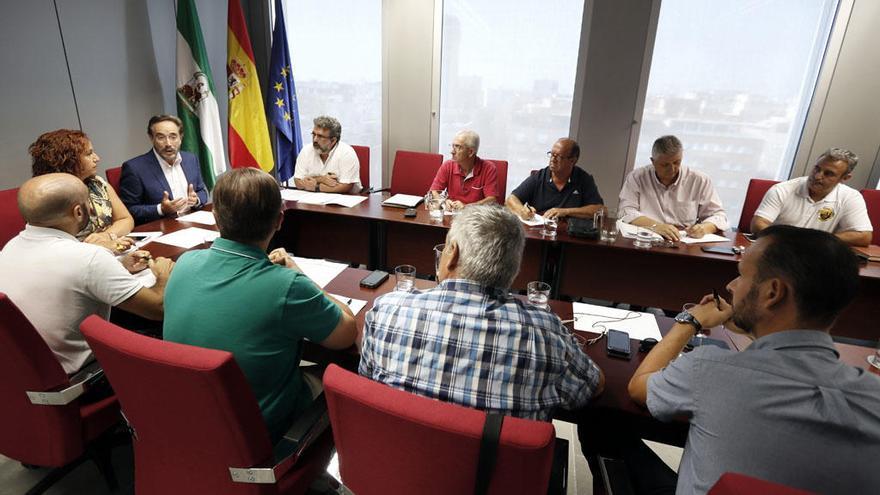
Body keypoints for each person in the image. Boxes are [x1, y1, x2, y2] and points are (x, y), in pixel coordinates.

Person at [583, 225, 880, 494]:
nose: (731, 286)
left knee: (601, 419)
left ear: (772, 292)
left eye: (741, 274)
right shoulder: (873, 396)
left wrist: (690, 321)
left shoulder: (709, 370)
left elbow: (638, 387)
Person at [163, 168, 358, 443]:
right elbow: (347, 333)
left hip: (192, 422)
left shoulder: (184, 264)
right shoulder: (287, 286)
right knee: (344, 377)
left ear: (216, 217)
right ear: (280, 220)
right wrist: (300, 275)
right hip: (260, 435)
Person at [360, 205, 604, 420]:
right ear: (514, 268)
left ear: (452, 254)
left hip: (396, 465)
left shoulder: (387, 311)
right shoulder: (545, 333)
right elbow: (593, 387)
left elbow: (366, 382)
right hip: (495, 471)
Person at [0, 173, 173, 375]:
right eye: (88, 202)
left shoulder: (8, 249)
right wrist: (163, 277)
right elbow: (158, 309)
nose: (92, 208)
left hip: (26, 378)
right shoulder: (89, 258)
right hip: (84, 379)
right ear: (79, 212)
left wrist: (119, 267)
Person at [30, 129, 135, 252]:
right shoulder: (48, 198)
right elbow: (53, 248)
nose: (97, 158)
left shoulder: (97, 184)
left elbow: (126, 219)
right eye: (89, 154)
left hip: (108, 252)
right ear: (68, 160)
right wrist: (101, 246)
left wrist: (106, 236)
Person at [751, 148, 872, 246]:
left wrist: (817, 240)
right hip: (778, 248)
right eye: (817, 169)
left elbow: (864, 236)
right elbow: (758, 224)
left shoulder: (851, 197)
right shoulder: (782, 189)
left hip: (818, 255)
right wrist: (788, 241)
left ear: (845, 178)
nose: (818, 176)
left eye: (828, 173)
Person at [618, 135, 728, 241]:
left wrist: (703, 228)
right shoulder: (637, 177)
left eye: (676, 162)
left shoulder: (700, 180)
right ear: (653, 162)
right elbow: (625, 211)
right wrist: (656, 226)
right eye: (665, 165)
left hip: (683, 241)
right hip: (645, 238)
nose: (672, 169)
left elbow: (718, 216)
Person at [119, 115, 208, 225]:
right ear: (151, 138)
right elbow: (128, 210)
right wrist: (161, 209)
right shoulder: (134, 168)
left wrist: (196, 200)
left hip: (193, 221)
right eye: (161, 137)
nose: (168, 144)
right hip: (163, 228)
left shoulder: (191, 159)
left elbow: (202, 190)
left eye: (173, 137)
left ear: (181, 137)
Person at [506, 138, 604, 221]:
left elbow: (600, 210)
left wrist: (566, 211)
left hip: (570, 236)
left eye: (559, 156)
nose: (553, 159)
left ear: (572, 161)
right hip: (540, 233)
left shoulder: (583, 179)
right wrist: (522, 211)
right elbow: (511, 199)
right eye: (552, 154)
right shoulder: (539, 177)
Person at [429, 130, 499, 209]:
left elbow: (491, 200)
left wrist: (467, 207)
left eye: (458, 147)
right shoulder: (448, 165)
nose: (452, 152)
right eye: (453, 146)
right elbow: (434, 191)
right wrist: (443, 201)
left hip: (475, 217)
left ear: (471, 152)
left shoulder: (488, 168)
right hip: (451, 214)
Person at [292, 115, 361, 194]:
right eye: (314, 134)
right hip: (312, 200)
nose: (315, 140)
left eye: (320, 136)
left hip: (345, 201)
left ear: (333, 140)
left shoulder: (347, 153)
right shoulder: (306, 150)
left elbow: (346, 186)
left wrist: (317, 187)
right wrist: (321, 179)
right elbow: (298, 181)